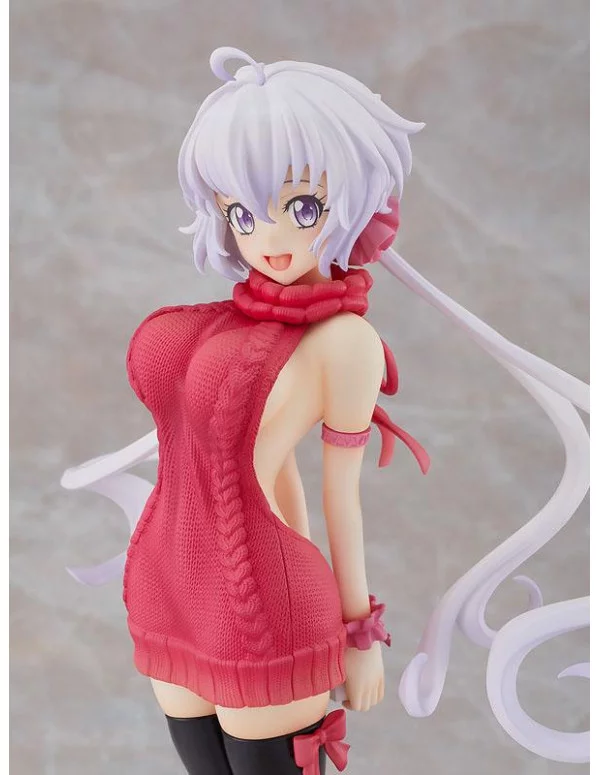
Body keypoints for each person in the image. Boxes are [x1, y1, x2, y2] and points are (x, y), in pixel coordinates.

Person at [64, 46, 589, 773]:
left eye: (301, 207)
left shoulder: (345, 342)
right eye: (242, 212)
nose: (268, 238)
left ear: (353, 204)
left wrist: (359, 635)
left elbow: (343, 500)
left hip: (262, 601)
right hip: (169, 586)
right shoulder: (213, 323)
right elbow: (273, 472)